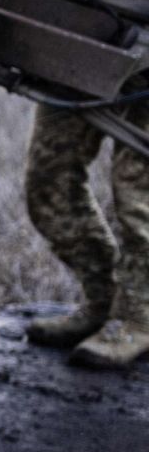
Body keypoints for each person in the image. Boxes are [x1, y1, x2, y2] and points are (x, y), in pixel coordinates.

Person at [24, 102, 149, 368]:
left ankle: (138, 317)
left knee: (138, 196)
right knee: (49, 181)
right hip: (81, 66)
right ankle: (102, 299)